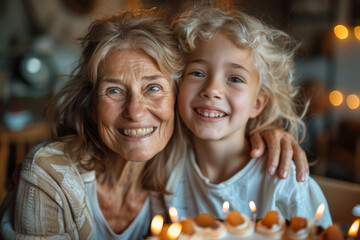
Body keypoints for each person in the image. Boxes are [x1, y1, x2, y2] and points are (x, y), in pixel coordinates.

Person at [0, 8, 309, 240]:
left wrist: (267, 133)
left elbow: (221, 126)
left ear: (176, 98)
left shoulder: (179, 160)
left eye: (153, 88)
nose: (135, 111)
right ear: (91, 105)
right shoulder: (49, 175)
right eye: (114, 91)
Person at [160, 7, 332, 228]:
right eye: (197, 73)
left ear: (257, 104)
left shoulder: (285, 182)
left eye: (235, 78)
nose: (212, 89)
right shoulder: (167, 167)